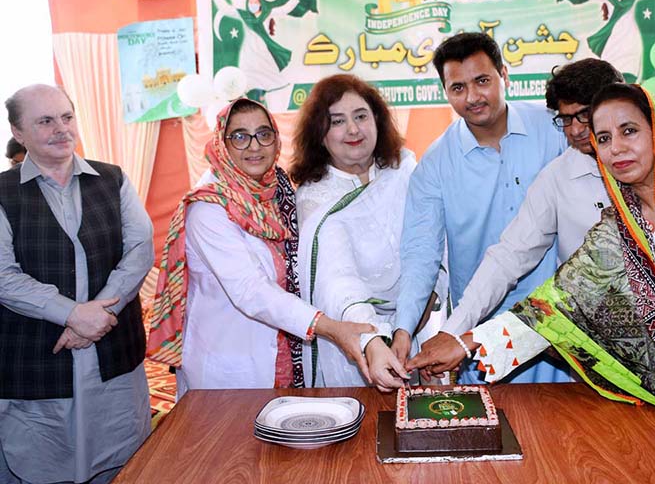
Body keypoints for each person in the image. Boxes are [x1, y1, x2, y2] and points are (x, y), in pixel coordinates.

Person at [411, 83, 655, 482]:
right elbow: (560, 303)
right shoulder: (617, 228)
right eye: (603, 139)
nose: (616, 148)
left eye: (629, 131)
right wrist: (464, 342)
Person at [409, 59, 655, 367]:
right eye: (565, 119)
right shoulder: (558, 178)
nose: (575, 130)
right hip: (608, 349)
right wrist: (454, 333)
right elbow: (509, 256)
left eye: (583, 115)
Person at [148, 97, 375, 398]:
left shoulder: (279, 191)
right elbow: (250, 289)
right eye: (240, 136)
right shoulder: (208, 208)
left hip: (286, 356)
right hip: (229, 370)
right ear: (221, 143)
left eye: (263, 134)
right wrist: (331, 328)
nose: (254, 146)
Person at [391, 31, 568, 385]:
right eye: (458, 88)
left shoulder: (555, 130)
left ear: (504, 75)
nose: (472, 97)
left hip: (559, 327)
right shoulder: (436, 164)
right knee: (495, 433)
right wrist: (403, 329)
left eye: (482, 81)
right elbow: (421, 256)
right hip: (478, 337)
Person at [0, 84, 153, 484]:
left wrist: (99, 314)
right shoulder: (1, 193)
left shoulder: (112, 178)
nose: (61, 129)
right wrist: (72, 314)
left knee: (122, 460)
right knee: (41, 462)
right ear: (18, 132)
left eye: (66, 117)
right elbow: (3, 276)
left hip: (113, 354)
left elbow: (139, 250)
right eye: (45, 121)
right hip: (36, 360)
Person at [292, 74, 433, 390]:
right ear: (321, 134)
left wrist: (410, 322)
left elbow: (434, 246)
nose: (353, 129)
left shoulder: (406, 171)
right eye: (337, 121)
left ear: (378, 121)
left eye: (360, 116)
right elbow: (337, 279)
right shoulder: (316, 199)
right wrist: (373, 338)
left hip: (418, 326)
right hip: (356, 342)